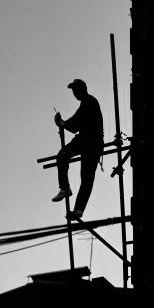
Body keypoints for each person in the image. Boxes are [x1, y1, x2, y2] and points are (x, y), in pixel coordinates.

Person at [52, 79, 104, 220]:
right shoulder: (86, 103)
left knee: (86, 176)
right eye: (73, 91)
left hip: (92, 141)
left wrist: (60, 123)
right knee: (62, 156)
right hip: (85, 140)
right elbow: (74, 124)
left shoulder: (89, 102)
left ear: (84, 89)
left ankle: (78, 208)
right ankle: (65, 188)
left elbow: (74, 124)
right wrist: (63, 123)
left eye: (76, 90)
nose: (75, 93)